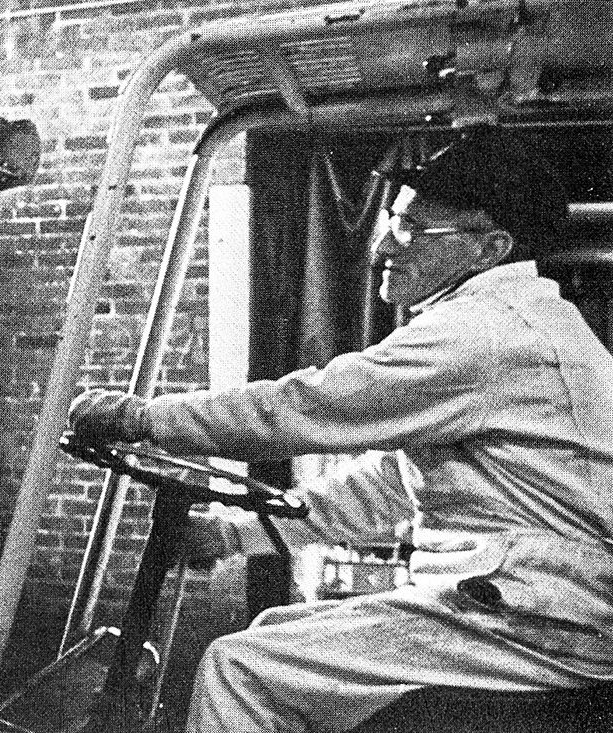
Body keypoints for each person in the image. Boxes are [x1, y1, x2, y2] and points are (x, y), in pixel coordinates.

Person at [68, 128, 613, 732]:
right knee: (272, 632)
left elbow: (307, 407)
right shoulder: (514, 320)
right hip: (526, 607)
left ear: (490, 248)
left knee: (238, 667)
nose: (384, 246)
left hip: (537, 627)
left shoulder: (492, 329)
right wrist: (237, 536)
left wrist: (143, 420)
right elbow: (393, 483)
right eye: (391, 221)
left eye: (413, 230)